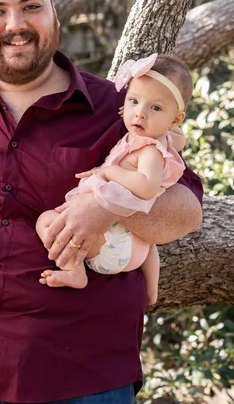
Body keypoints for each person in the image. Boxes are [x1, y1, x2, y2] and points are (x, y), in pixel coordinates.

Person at [0, 0, 203, 404]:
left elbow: (187, 210)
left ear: (54, 13)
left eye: (32, 6)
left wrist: (110, 206)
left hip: (84, 381)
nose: (16, 23)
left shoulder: (117, 110)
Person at [35, 53, 193, 304]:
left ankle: (74, 270)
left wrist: (109, 172)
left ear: (175, 119)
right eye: (133, 102)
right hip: (138, 246)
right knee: (151, 243)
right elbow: (178, 138)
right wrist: (144, 111)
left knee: (46, 221)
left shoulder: (150, 150)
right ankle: (151, 291)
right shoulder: (165, 139)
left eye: (155, 108)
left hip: (113, 246)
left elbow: (148, 187)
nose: (140, 115)